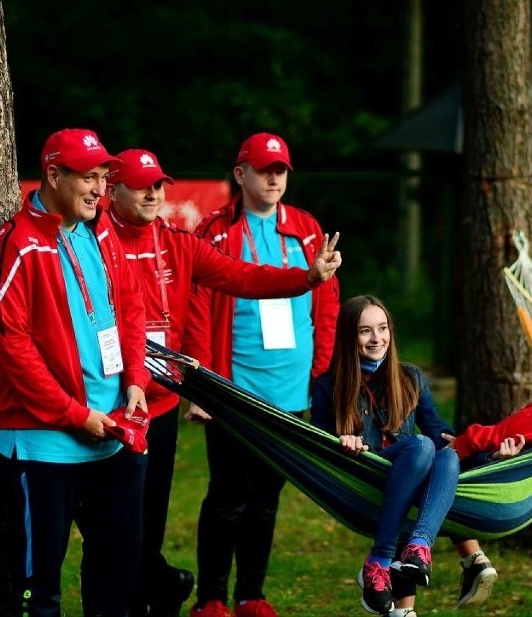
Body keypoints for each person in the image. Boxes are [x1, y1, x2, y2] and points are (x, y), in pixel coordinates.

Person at [105, 148, 342, 617]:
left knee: (150, 515)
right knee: (112, 517)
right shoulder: (94, 239)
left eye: (158, 185)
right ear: (112, 190)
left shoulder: (177, 242)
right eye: (142, 185)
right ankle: (170, 588)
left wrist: (306, 279)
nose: (153, 194)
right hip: (106, 398)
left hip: (160, 401)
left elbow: (243, 277)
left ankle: (159, 593)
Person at [0, 128, 151, 617]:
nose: (100, 189)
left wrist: (136, 378)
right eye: (89, 177)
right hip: (46, 444)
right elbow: (11, 347)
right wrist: (75, 414)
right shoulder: (17, 242)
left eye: (104, 177)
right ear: (54, 175)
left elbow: (132, 309)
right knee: (39, 592)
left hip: (114, 433)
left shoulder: (104, 233)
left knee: (117, 580)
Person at [183, 133, 341, 617]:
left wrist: (320, 375)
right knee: (227, 496)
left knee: (267, 498)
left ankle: (251, 594)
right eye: (264, 169)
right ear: (240, 175)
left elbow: (328, 304)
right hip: (235, 388)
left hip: (289, 388)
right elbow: (199, 306)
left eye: (281, 170)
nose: (274, 178)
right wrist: (203, 385)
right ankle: (211, 597)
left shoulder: (307, 229)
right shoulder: (216, 231)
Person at [310, 295, 464, 616]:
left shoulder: (410, 378)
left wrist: (486, 446)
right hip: (363, 477)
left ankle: (416, 549)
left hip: (408, 478)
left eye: (382, 329)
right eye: (365, 331)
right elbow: (317, 443)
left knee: (447, 457)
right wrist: (341, 440)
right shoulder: (329, 386)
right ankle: (382, 557)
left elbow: (438, 432)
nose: (376, 338)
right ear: (349, 336)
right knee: (421, 446)